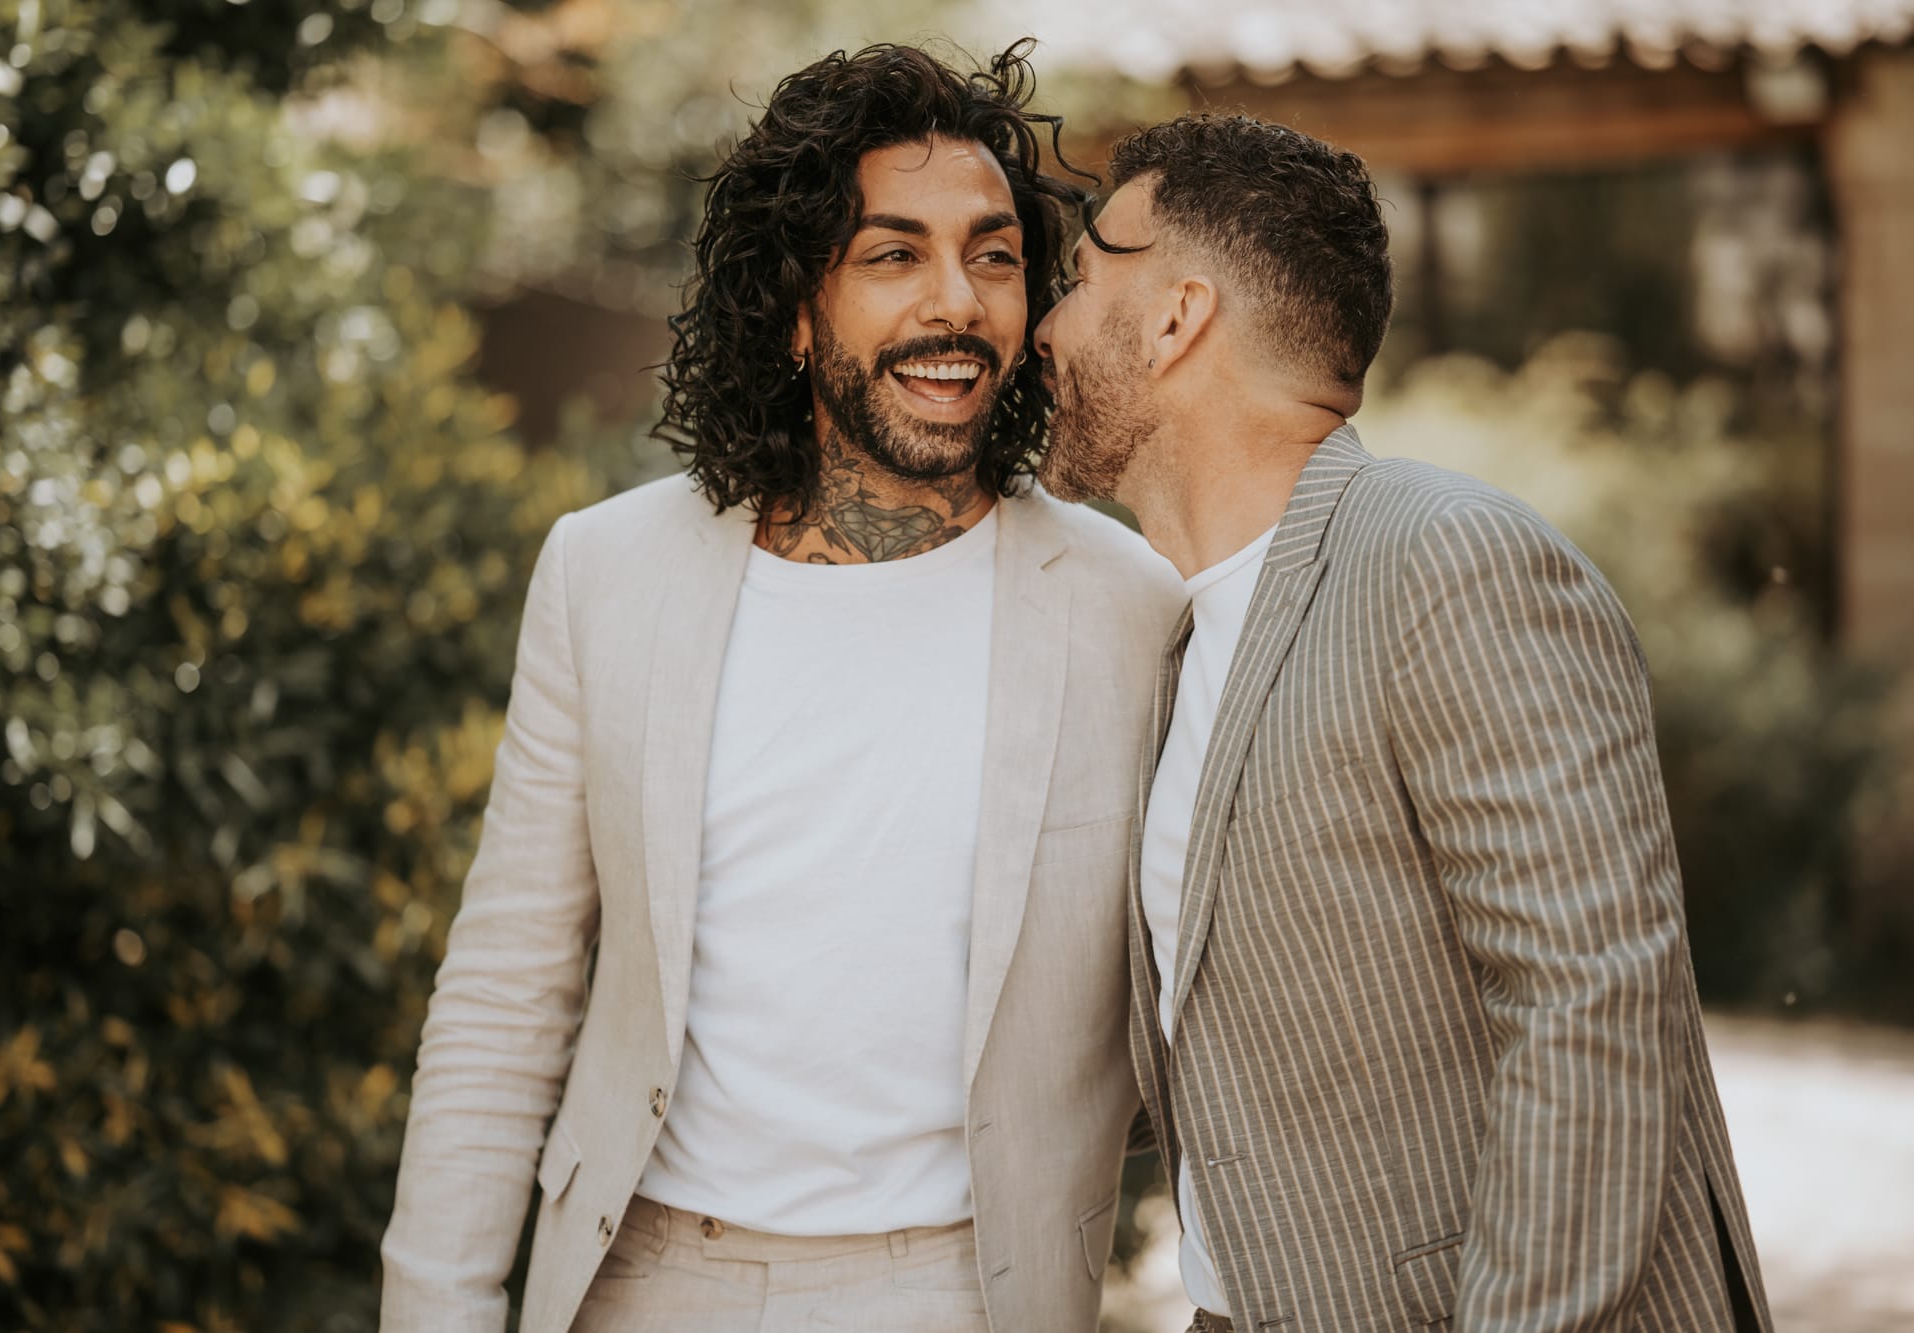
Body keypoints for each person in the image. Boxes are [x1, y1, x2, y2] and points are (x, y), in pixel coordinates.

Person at [379, 42, 1180, 1333]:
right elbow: (505, 994)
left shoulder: (1128, 605)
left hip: (970, 1287)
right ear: (795, 309)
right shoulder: (608, 572)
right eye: (893, 254)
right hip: (645, 1278)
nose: (958, 301)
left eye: (992, 255)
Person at [1032, 112, 1773, 1332]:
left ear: (1174, 318)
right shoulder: (1179, 638)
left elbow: (1588, 1009)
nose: (1045, 328)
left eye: (1077, 276)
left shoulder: (1446, 560)